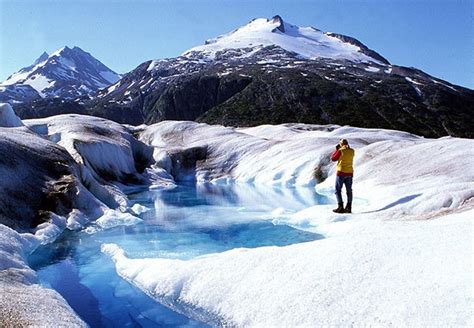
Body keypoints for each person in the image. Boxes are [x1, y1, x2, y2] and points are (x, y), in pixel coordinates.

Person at [331, 139, 355, 213]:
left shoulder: (340, 150)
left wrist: (337, 150)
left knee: (338, 190)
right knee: (349, 190)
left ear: (340, 144)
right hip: (350, 173)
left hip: (341, 172)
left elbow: (333, 158)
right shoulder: (352, 151)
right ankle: (349, 207)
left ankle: (340, 207)